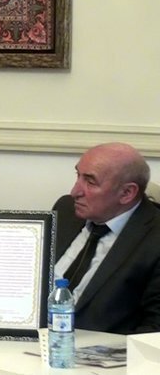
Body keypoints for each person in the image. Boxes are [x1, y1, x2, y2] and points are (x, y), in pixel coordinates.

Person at [53, 142, 160, 334]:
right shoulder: (65, 209)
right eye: (78, 176)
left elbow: (154, 331)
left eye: (90, 182)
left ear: (127, 193)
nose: (75, 192)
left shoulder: (154, 239)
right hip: (29, 341)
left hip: (100, 349)